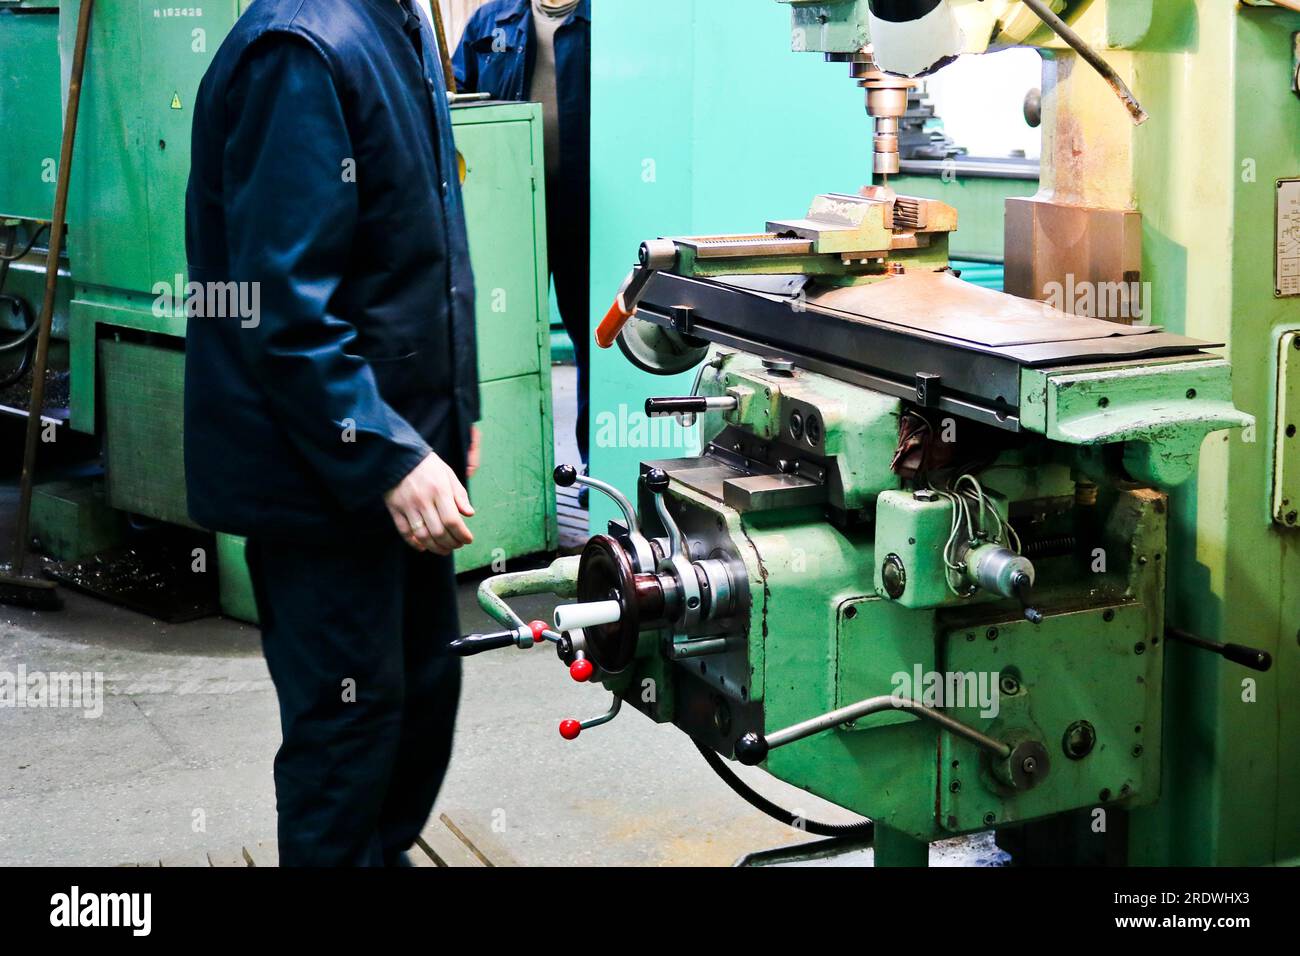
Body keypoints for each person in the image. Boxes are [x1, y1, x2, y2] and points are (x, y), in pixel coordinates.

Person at [184, 0, 481, 866]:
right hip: (323, 478)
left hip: (398, 457)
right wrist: (387, 453)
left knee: (419, 704)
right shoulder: (300, 47)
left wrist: (457, 410)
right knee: (347, 739)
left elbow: (423, 251)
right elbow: (284, 307)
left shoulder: (395, 24)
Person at [454, 0, 591, 462]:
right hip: (508, 210)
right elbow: (455, 104)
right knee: (498, 334)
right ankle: (502, 471)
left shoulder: (605, 21)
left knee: (592, 335)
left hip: (586, 208)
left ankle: (593, 467)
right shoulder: (489, 23)